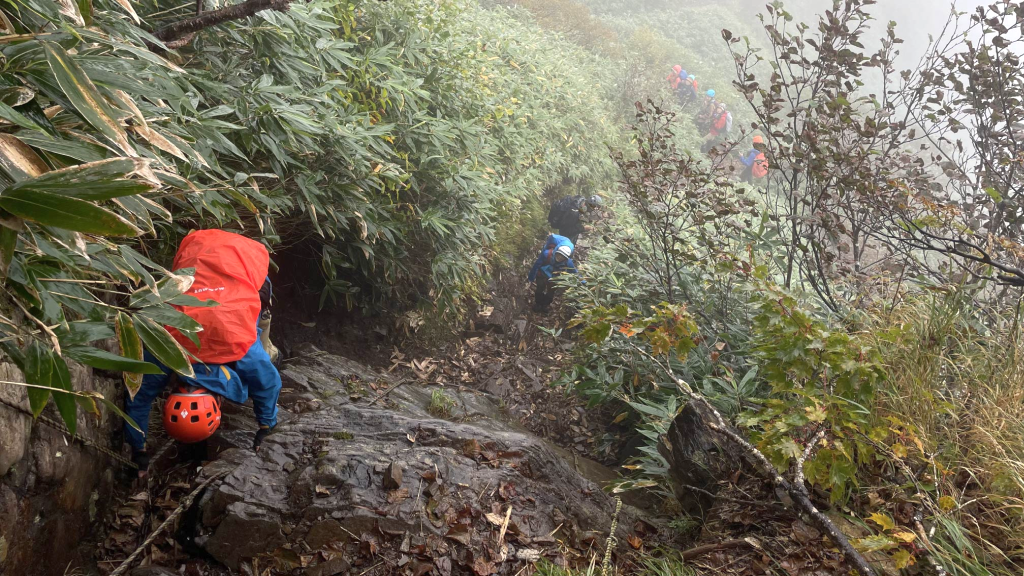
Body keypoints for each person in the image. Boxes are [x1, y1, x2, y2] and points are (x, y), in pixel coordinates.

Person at [125, 229, 282, 475]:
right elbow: (138, 396)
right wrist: (139, 450)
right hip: (196, 250)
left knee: (259, 317)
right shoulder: (165, 348)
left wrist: (266, 428)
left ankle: (266, 337)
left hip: (244, 257)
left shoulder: (241, 347)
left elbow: (269, 384)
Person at [528, 234, 579, 312]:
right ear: (556, 252)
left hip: (554, 278)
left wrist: (582, 281)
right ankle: (538, 304)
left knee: (550, 293)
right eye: (558, 255)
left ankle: (545, 305)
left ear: (566, 258)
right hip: (542, 274)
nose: (559, 258)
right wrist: (531, 277)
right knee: (539, 289)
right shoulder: (546, 254)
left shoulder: (568, 262)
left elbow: (574, 272)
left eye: (562, 257)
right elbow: (537, 265)